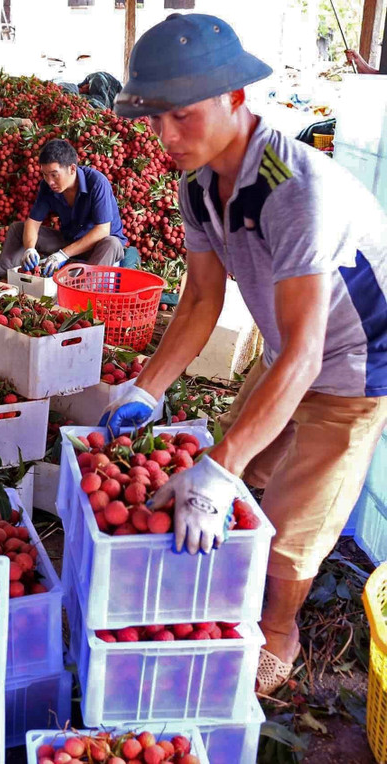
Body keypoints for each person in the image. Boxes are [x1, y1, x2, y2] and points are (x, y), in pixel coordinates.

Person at [101, 13, 387, 696]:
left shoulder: (295, 190)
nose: (167, 136)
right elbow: (202, 299)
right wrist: (146, 388)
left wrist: (218, 468)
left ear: (235, 97)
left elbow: (310, 356)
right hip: (291, 345)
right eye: (156, 118)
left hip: (354, 362)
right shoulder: (199, 185)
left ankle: (279, 631)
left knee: (293, 523)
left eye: (183, 115)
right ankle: (227, 575)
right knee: (245, 464)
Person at [0, 138, 127, 278]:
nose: (50, 181)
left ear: (72, 169)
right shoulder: (47, 187)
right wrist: (29, 249)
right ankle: (4, 280)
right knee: (18, 229)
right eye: (45, 175)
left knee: (111, 243)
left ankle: (83, 288)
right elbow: (33, 222)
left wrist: (62, 255)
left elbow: (102, 231)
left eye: (54, 175)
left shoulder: (97, 183)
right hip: (69, 240)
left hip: (96, 247)